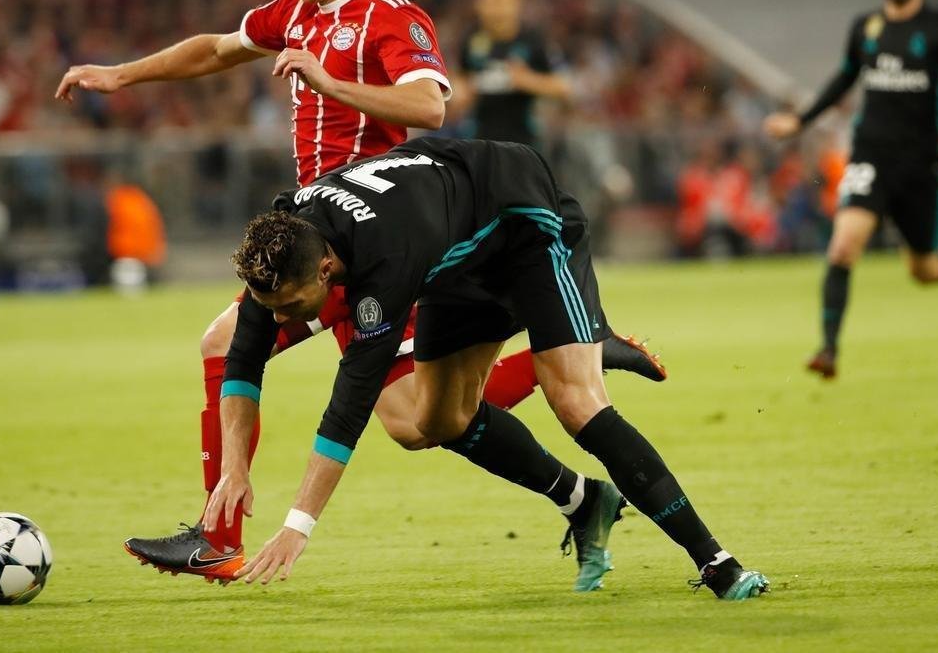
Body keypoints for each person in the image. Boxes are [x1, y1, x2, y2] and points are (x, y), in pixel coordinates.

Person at [54, 0, 665, 586]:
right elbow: (218, 49)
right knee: (410, 419)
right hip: (316, 242)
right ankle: (583, 483)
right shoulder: (296, 11)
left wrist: (328, 82)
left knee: (272, 360)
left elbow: (429, 108)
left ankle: (218, 538)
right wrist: (121, 76)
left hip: (371, 244)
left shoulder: (391, 17)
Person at [207, 137, 768, 599]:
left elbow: (348, 404)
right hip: (457, 257)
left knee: (576, 404)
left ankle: (716, 561)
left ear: (327, 270)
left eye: (290, 305)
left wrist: (297, 526)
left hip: (527, 229)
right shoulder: (288, 241)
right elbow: (244, 356)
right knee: (437, 420)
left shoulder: (386, 259)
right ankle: (586, 501)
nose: (279, 317)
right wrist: (235, 467)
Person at [764, 0, 938, 379]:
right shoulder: (866, 28)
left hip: (922, 169)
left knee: (925, 270)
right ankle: (828, 350)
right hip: (870, 158)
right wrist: (800, 120)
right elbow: (844, 78)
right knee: (843, 246)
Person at [455, 0, 572, 148]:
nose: (497, 9)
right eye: (490, 1)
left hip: (523, 141)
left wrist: (525, 80)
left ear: (517, 4)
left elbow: (563, 86)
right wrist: (463, 91)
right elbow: (461, 82)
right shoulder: (471, 41)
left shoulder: (534, 41)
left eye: (502, 1)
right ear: (478, 5)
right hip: (478, 140)